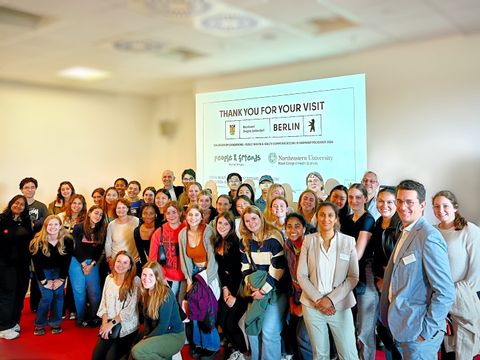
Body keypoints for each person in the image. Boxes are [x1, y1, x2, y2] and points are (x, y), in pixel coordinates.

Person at [379, 180, 455, 359]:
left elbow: (445, 291)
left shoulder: (429, 237)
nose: (402, 207)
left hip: (418, 332)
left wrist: (426, 331)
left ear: (422, 205)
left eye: (409, 202)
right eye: (399, 201)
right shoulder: (405, 230)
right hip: (402, 325)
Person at [297, 202, 359, 360]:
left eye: (330, 215)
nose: (326, 219)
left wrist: (330, 300)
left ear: (336, 218)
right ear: (316, 217)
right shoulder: (308, 241)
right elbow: (301, 276)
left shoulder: (348, 242)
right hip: (312, 305)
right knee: (320, 355)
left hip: (340, 305)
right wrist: (319, 300)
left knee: (349, 353)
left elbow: (353, 277)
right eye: (322, 215)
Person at [432, 190, 480, 359]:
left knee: (462, 350)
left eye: (445, 206)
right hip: (437, 300)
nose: (441, 210)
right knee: (444, 351)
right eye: (436, 206)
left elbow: (476, 271)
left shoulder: (469, 230)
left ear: (455, 207)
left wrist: (454, 294)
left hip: (462, 299)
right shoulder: (431, 232)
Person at [239, 205, 287, 360]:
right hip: (256, 288)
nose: (251, 223)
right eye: (247, 221)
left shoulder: (273, 237)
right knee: (251, 324)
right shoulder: (245, 241)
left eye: (254, 218)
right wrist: (250, 284)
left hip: (275, 290)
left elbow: (278, 269)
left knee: (269, 331)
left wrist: (263, 291)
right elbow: (245, 266)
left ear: (261, 217)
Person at [179, 204, 220, 357]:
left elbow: (212, 259)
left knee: (206, 310)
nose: (193, 218)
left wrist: (206, 281)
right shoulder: (183, 234)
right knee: (194, 310)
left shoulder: (208, 231)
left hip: (208, 273)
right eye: (190, 215)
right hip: (193, 273)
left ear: (202, 217)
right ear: (186, 216)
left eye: (197, 215)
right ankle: (198, 343)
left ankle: (211, 346)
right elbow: (185, 259)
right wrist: (189, 280)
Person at [341, 183, 376, 360]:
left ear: (365, 199)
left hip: (364, 273)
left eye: (358, 197)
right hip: (346, 273)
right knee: (349, 323)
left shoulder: (368, 219)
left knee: (364, 326)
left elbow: (358, 252)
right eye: (351, 197)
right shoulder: (346, 220)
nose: (354, 201)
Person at [130, 261, 186, 360]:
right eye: (144, 274)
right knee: (133, 351)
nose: (146, 278)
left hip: (173, 335)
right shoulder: (146, 293)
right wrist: (145, 335)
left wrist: (147, 338)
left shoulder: (165, 294)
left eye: (151, 275)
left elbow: (163, 325)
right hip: (159, 333)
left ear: (157, 277)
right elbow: (147, 320)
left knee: (137, 351)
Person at [371, 187, 402, 360]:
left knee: (396, 331)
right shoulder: (377, 224)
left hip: (396, 286)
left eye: (390, 202)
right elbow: (374, 256)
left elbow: (401, 262)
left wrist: (387, 281)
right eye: (381, 201)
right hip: (380, 282)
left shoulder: (400, 226)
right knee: (384, 330)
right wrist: (378, 278)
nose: (384, 205)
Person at [29, 215, 73, 336]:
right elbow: (36, 265)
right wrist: (44, 282)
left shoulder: (67, 240)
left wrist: (61, 279)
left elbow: (66, 262)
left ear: (60, 226)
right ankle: (40, 324)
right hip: (43, 271)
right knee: (47, 296)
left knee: (58, 295)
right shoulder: (36, 241)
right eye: (50, 224)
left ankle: (55, 323)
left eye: (56, 224)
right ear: (45, 226)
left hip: (59, 271)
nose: (53, 227)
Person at [92, 250, 140, 360]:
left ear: (130, 266)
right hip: (109, 324)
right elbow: (104, 303)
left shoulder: (135, 281)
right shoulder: (109, 279)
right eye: (119, 261)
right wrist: (104, 324)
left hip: (126, 327)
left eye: (125, 263)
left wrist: (110, 324)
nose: (121, 265)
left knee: (110, 358)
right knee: (96, 357)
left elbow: (129, 311)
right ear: (114, 262)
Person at [214, 211, 249, 360]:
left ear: (231, 226)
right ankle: (235, 348)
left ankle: (244, 352)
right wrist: (225, 290)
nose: (222, 226)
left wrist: (232, 295)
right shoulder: (217, 241)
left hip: (239, 290)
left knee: (230, 323)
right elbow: (221, 271)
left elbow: (238, 273)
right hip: (227, 288)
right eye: (220, 223)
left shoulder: (235, 242)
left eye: (226, 223)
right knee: (221, 320)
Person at [0, 195, 33, 339]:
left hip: (22, 265)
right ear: (11, 203)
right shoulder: (2, 220)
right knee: (7, 294)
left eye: (22, 204)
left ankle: (14, 322)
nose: (18, 206)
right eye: (16, 203)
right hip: (5, 265)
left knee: (20, 292)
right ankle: (3, 327)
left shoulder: (26, 222)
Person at [69, 205, 106, 327]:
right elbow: (75, 246)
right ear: (89, 213)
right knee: (79, 292)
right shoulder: (79, 227)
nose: (98, 216)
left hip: (92, 263)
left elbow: (99, 250)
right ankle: (81, 318)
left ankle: (94, 316)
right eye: (96, 213)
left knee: (94, 292)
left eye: (101, 215)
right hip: (77, 261)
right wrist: (84, 264)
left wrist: (92, 264)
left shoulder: (101, 230)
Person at [283, 213, 313, 360]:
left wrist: (303, 306)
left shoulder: (311, 247)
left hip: (311, 299)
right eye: (289, 226)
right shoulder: (288, 244)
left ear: (304, 228)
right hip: (295, 295)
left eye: (297, 226)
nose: (292, 230)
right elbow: (289, 275)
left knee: (303, 336)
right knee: (289, 327)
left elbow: (316, 283)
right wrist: (291, 300)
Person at [19, 177, 48, 313]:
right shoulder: (18, 204)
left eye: (32, 187)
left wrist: (36, 224)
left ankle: (35, 304)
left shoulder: (41, 206)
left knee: (37, 274)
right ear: (21, 189)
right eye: (26, 187)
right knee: (22, 276)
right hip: (21, 247)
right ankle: (18, 304)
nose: (30, 190)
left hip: (37, 245)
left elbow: (47, 224)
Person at [149, 201, 187, 303]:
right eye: (168, 213)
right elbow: (152, 258)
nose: (171, 215)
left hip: (185, 276)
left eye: (174, 212)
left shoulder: (187, 229)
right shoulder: (159, 232)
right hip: (167, 276)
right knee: (168, 304)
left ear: (179, 213)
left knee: (183, 307)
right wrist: (161, 276)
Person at [105, 199, 140, 272]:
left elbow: (141, 239)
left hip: (133, 260)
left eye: (123, 207)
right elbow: (108, 243)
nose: (121, 210)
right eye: (118, 208)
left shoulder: (136, 221)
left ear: (128, 208)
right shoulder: (111, 225)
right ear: (115, 209)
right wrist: (109, 259)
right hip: (117, 261)